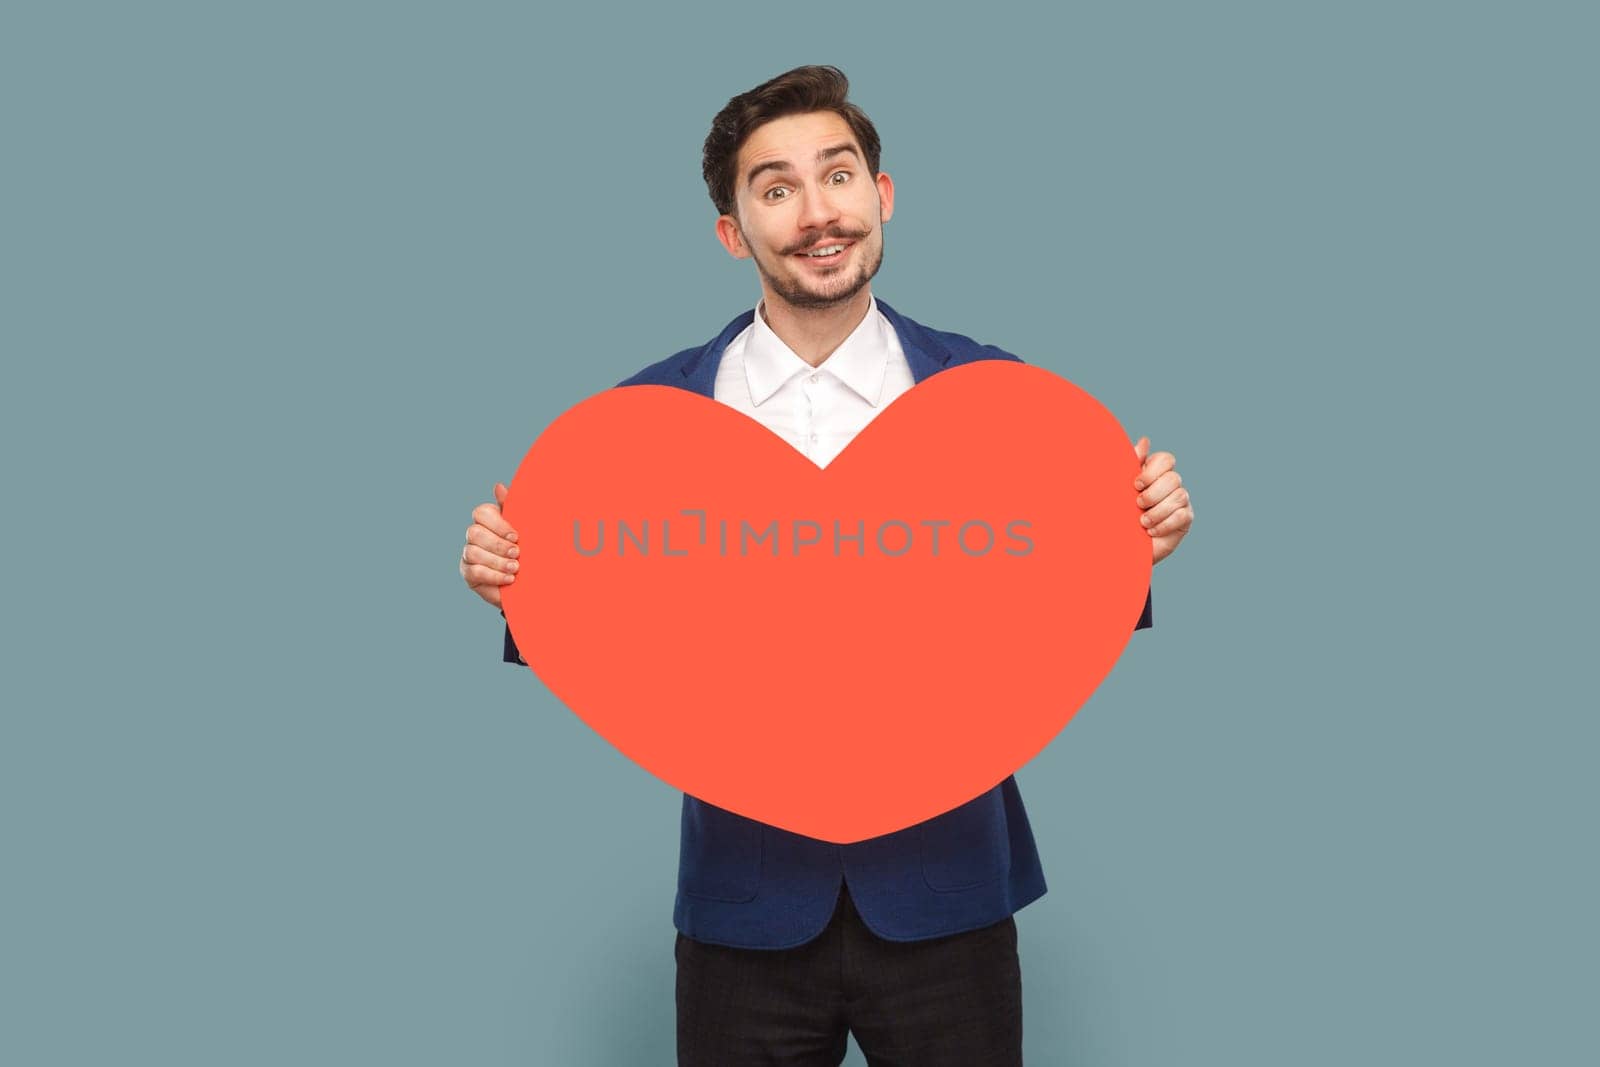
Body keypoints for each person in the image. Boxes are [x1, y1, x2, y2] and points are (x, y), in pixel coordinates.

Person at [460, 66, 1193, 1066]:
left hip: (949, 897)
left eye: (837, 176)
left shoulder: (998, 401)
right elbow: (607, 628)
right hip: (743, 911)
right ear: (732, 230)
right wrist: (512, 577)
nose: (816, 212)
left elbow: (1046, 600)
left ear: (881, 196)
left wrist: (1135, 539)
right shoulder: (646, 424)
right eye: (775, 188)